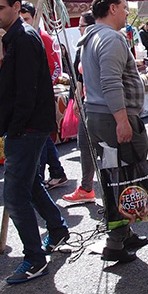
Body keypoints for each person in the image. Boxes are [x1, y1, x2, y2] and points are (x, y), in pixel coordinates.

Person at [0, 0, 69, 284]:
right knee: (30, 185)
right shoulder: (16, 37)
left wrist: (15, 129)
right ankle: (57, 229)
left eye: (0, 7)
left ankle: (35, 258)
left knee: (15, 195)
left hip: (28, 128)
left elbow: (28, 92)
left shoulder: (23, 38)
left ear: (16, 8)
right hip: (26, 127)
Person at [78, 0, 148, 264]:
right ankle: (115, 242)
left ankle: (124, 233)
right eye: (123, 7)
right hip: (111, 117)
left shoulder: (92, 36)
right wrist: (122, 120)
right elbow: (110, 82)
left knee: (117, 174)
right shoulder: (109, 38)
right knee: (123, 177)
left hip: (100, 115)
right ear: (111, 9)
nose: (126, 12)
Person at [19, 1, 69, 189]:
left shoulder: (45, 38)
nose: (23, 22)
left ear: (35, 18)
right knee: (42, 136)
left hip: (42, 98)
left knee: (39, 135)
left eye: (26, 19)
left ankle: (39, 178)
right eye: (20, 19)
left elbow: (57, 67)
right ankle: (56, 172)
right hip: (28, 98)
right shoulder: (19, 38)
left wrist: (42, 87)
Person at [63, 12, 98, 203]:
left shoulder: (101, 44)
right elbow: (79, 77)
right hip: (86, 102)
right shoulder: (81, 47)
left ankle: (117, 191)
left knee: (106, 148)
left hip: (101, 106)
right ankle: (86, 188)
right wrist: (77, 98)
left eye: (82, 25)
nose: (79, 28)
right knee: (84, 145)